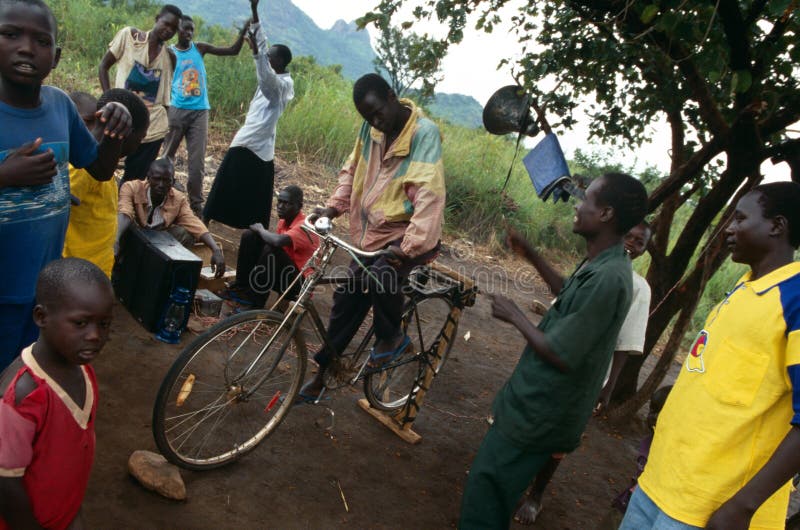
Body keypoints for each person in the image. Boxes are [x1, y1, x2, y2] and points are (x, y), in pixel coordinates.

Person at [458, 172, 648, 529]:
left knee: (486, 496)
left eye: (587, 199)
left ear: (606, 213)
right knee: (488, 487)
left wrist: (515, 314)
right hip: (533, 404)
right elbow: (567, 291)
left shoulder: (609, 278)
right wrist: (531, 254)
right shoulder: (601, 262)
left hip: (540, 412)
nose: (578, 205)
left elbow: (561, 353)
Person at [621, 181, 800, 530]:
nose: (729, 228)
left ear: (777, 226)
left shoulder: (794, 302)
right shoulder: (745, 289)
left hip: (711, 509)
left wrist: (743, 507)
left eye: (740, 219)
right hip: (661, 485)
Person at [0, 0, 131, 371]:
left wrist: (114, 131)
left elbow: (100, 168)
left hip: (43, 291)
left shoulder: (59, 106)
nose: (26, 47)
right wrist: (5, 175)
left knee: (25, 375)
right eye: (11, 34)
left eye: (41, 41)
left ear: (56, 57)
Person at [298, 72, 446, 401]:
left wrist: (407, 248)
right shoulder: (372, 130)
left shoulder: (424, 134)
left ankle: (392, 338)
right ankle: (322, 376)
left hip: (411, 235)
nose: (375, 122)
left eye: (378, 112)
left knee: (383, 274)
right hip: (373, 235)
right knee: (346, 300)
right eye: (368, 118)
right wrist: (334, 208)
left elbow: (429, 197)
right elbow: (353, 169)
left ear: (392, 97)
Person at [512, 221, 654, 525]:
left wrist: (609, 386)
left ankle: (536, 494)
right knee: (530, 421)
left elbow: (625, 343)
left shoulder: (638, 287)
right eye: (628, 235)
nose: (631, 244)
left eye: (639, 242)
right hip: (551, 359)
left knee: (559, 439)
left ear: (644, 251)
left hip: (587, 375)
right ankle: (516, 480)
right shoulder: (592, 266)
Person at [0, 257, 114, 529]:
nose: (95, 335)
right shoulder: (23, 396)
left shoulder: (83, 370)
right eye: (80, 323)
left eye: (105, 324)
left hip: (63, 513)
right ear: (42, 317)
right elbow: (5, 482)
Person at [203, 0, 294, 229]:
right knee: (232, 182)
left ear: (280, 62)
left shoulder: (282, 85)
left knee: (241, 186)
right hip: (256, 140)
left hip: (255, 141)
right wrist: (254, 10)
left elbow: (266, 79)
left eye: (270, 57)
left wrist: (257, 56)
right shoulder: (274, 72)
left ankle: (252, 229)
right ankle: (207, 218)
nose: (267, 57)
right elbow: (262, 46)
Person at [162, 15, 250, 217]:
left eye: (192, 29)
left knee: (197, 163)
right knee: (167, 156)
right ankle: (162, 194)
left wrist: (243, 29)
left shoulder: (199, 48)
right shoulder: (170, 53)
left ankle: (195, 205)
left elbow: (232, 51)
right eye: (185, 29)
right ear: (177, 30)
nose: (189, 33)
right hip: (176, 110)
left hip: (200, 111)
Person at [63, 89, 150, 277]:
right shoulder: (85, 168)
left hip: (92, 270)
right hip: (75, 274)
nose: (138, 146)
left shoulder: (104, 168)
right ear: (126, 132)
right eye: (141, 138)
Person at [98, 4, 181, 184]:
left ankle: (124, 209)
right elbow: (104, 66)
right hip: (120, 119)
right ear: (157, 19)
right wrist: (109, 101)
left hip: (152, 128)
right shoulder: (129, 37)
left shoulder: (169, 57)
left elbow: (165, 97)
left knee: (134, 180)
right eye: (166, 24)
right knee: (102, 168)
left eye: (174, 29)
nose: (168, 30)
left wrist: (167, 127)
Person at [115, 157, 225, 277]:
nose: (161, 185)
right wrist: (115, 240)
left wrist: (215, 249)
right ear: (148, 178)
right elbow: (125, 212)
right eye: (157, 179)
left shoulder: (178, 199)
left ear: (173, 182)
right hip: (131, 239)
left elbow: (194, 223)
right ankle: (119, 266)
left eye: (166, 180)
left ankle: (162, 272)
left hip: (156, 243)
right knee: (123, 225)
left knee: (186, 234)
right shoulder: (131, 187)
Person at [221, 185, 318, 307]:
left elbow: (277, 242)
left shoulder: (305, 226)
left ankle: (255, 303)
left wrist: (261, 229)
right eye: (279, 202)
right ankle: (242, 289)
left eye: (286, 203)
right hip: (285, 275)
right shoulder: (284, 221)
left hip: (299, 285)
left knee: (271, 249)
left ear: (299, 206)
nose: (280, 207)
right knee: (250, 236)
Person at [596, 385, 672, 530]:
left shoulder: (670, 451)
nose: (652, 417)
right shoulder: (649, 441)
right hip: (626, 505)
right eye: (652, 410)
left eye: (660, 413)